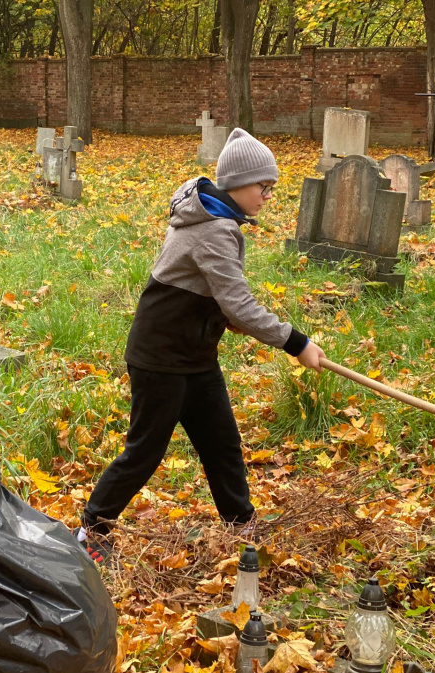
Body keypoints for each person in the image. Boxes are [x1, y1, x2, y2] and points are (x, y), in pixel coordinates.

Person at [74, 128, 326, 563]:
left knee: (220, 441)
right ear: (237, 184)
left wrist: (227, 318)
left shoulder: (216, 218)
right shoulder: (213, 228)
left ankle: (240, 522)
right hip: (161, 357)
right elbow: (239, 302)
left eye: (272, 188)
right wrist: (295, 342)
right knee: (145, 450)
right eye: (263, 187)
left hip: (194, 354)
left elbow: (221, 301)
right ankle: (91, 530)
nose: (268, 196)